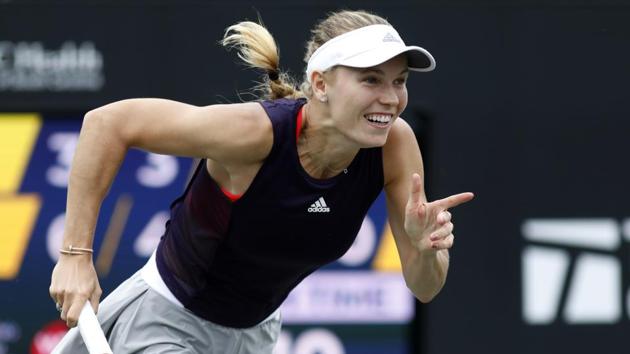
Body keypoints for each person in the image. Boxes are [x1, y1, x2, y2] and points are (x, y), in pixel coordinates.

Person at [50, 9, 474, 353]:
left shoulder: (395, 143)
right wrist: (74, 256)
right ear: (321, 84)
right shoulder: (255, 134)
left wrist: (424, 251)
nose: (390, 97)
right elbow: (107, 124)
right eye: (371, 79)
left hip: (256, 337)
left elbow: (424, 288)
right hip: (165, 322)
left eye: (399, 81)